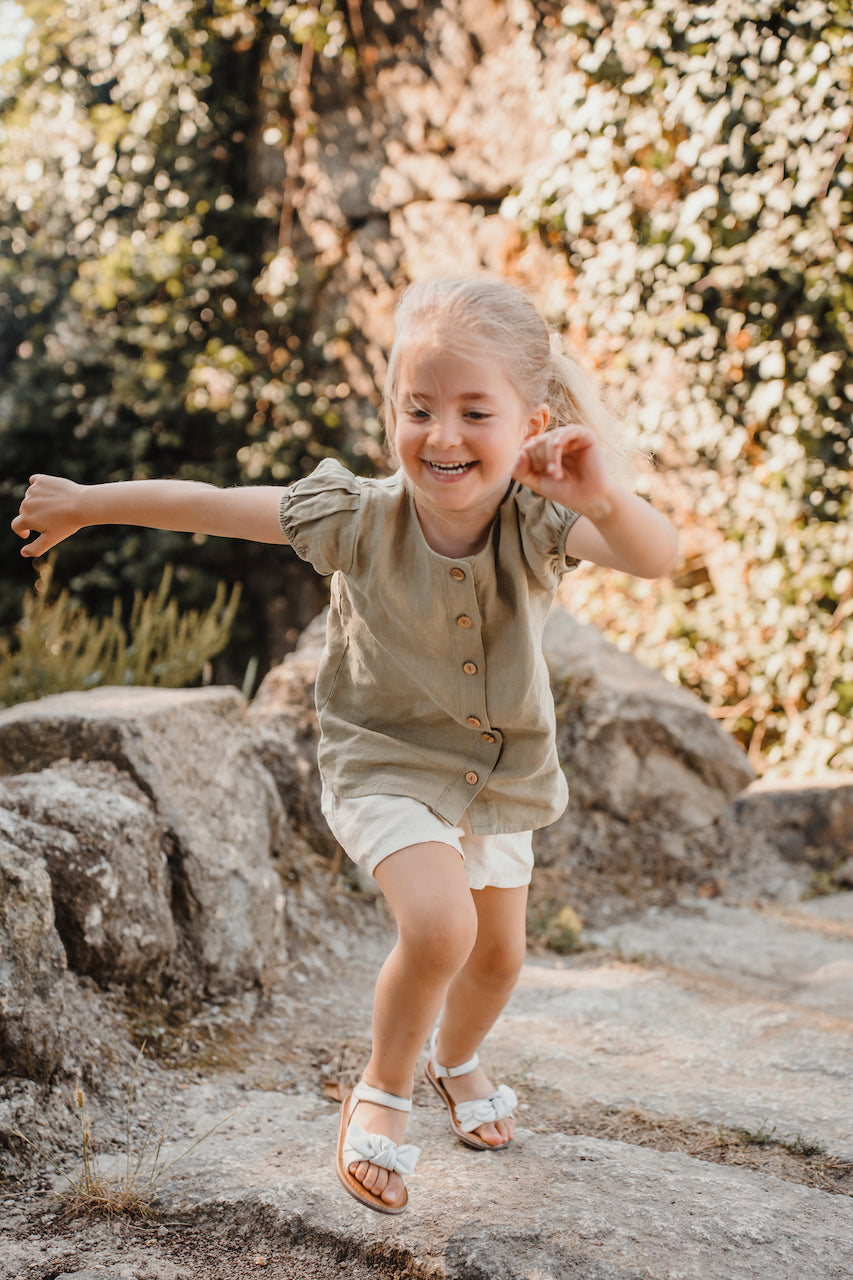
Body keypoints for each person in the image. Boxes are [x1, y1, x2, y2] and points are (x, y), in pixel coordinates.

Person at [12, 276, 678, 1215]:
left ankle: (457, 1062)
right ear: (390, 411)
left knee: (499, 958)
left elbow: (657, 557)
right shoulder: (354, 517)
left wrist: (606, 498)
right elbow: (210, 502)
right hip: (384, 764)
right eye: (418, 409)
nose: (442, 435)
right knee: (440, 928)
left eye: (474, 412)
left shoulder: (540, 520)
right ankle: (385, 1091)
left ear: (530, 421)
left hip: (498, 774)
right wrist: (90, 501)